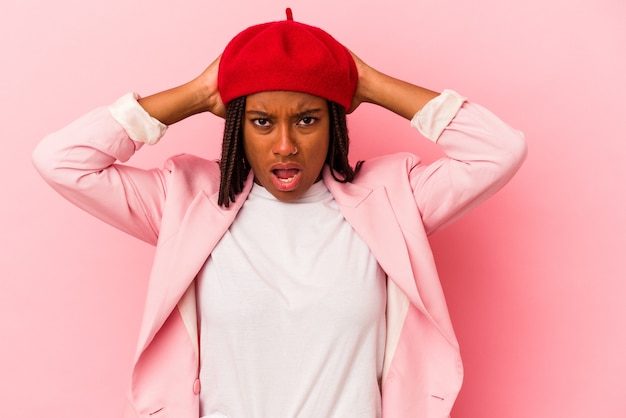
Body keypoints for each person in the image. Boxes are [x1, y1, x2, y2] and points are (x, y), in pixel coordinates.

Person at [32, 8, 526, 418]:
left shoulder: (393, 201)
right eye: (262, 121)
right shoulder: (186, 202)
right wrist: (196, 94)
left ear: (334, 121)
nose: (285, 145)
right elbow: (62, 161)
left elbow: (498, 150)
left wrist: (370, 84)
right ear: (235, 127)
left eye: (307, 119)